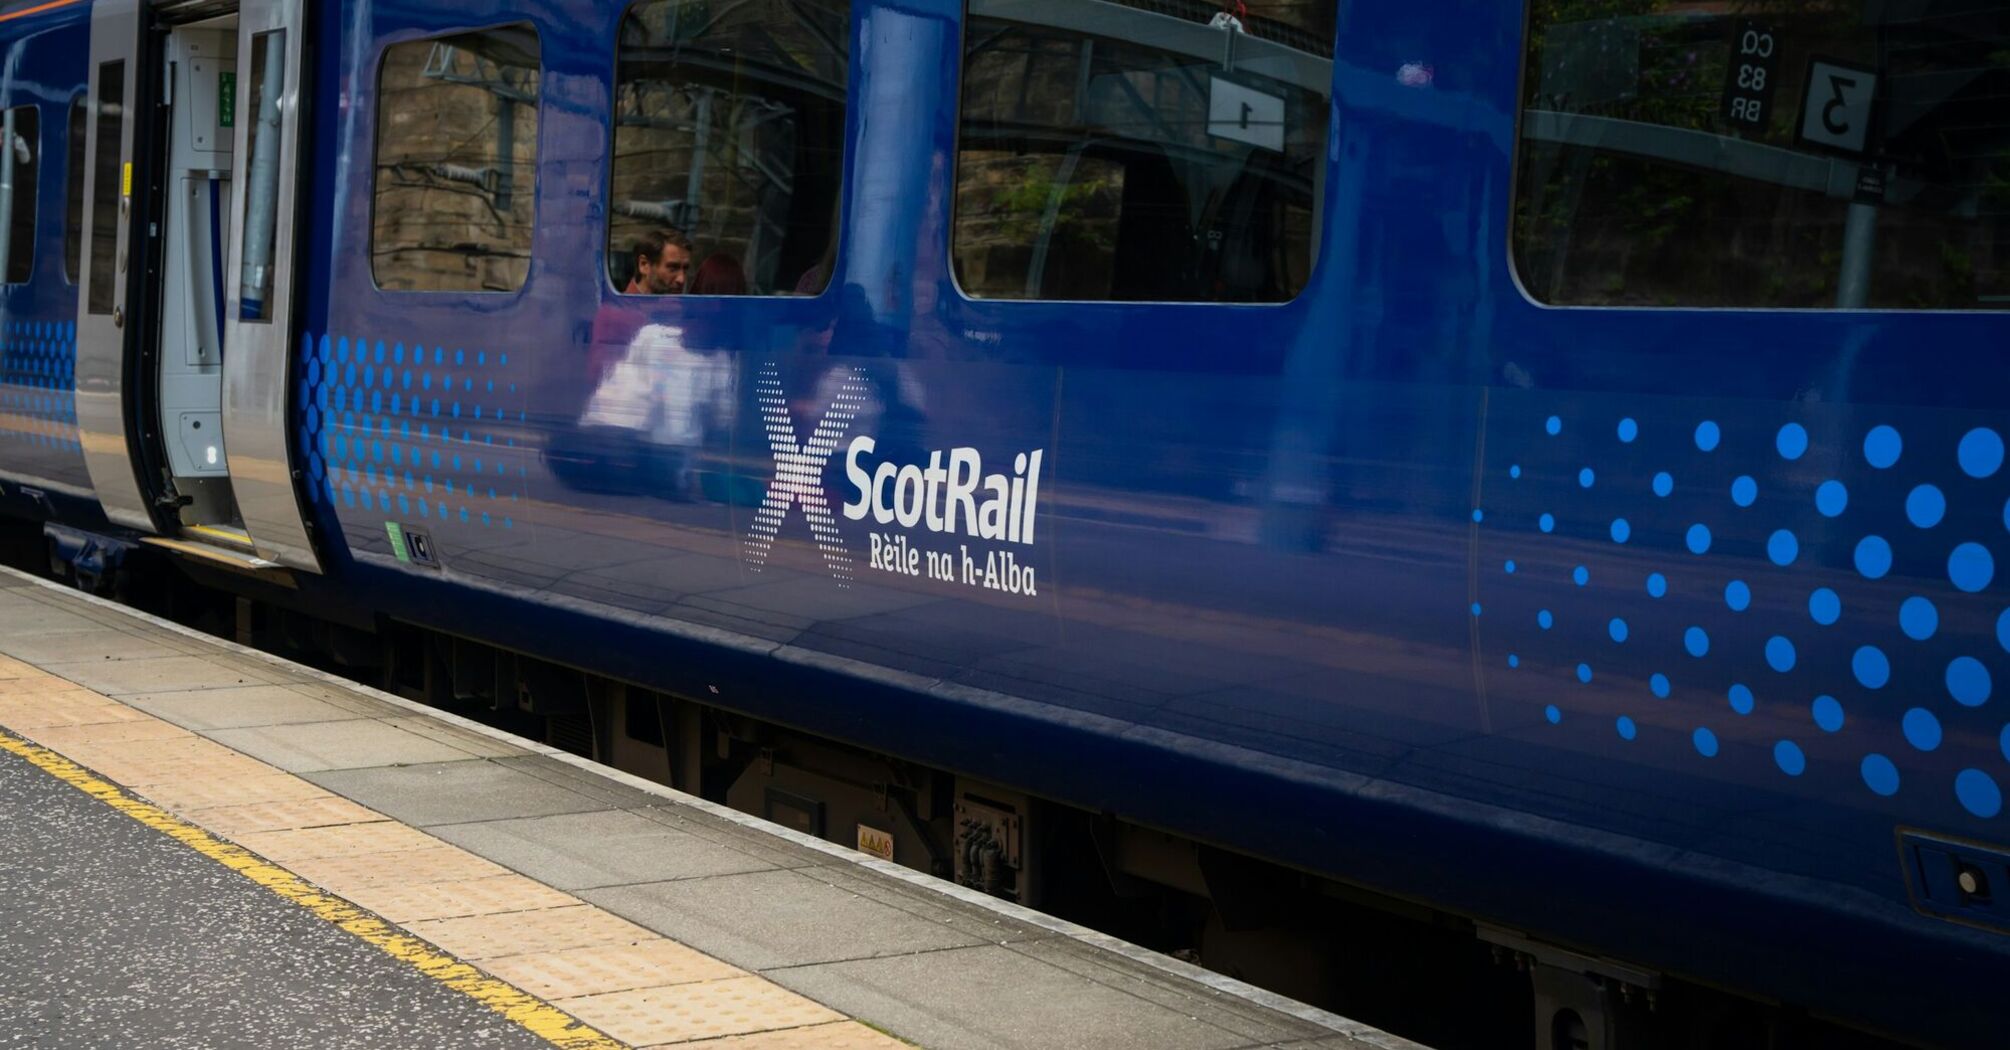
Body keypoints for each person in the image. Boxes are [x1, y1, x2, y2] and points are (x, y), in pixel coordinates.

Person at [625, 228, 692, 295]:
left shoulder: (671, 303)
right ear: (644, 264)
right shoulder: (623, 304)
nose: (681, 279)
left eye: (685, 269)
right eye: (673, 268)